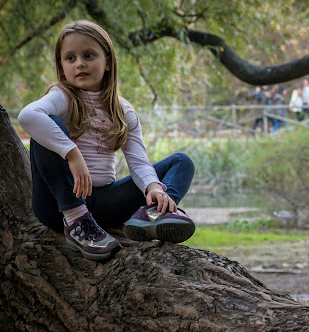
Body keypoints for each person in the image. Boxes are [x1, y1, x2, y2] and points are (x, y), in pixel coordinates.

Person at [18, 20, 196, 262]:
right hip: (57, 206)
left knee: (181, 162)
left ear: (108, 61)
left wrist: (153, 187)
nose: (79, 63)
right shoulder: (61, 97)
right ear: (61, 66)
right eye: (70, 58)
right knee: (47, 125)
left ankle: (156, 212)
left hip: (104, 203)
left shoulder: (123, 111)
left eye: (88, 55)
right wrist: (73, 154)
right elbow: (27, 116)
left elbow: (138, 162)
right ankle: (77, 221)